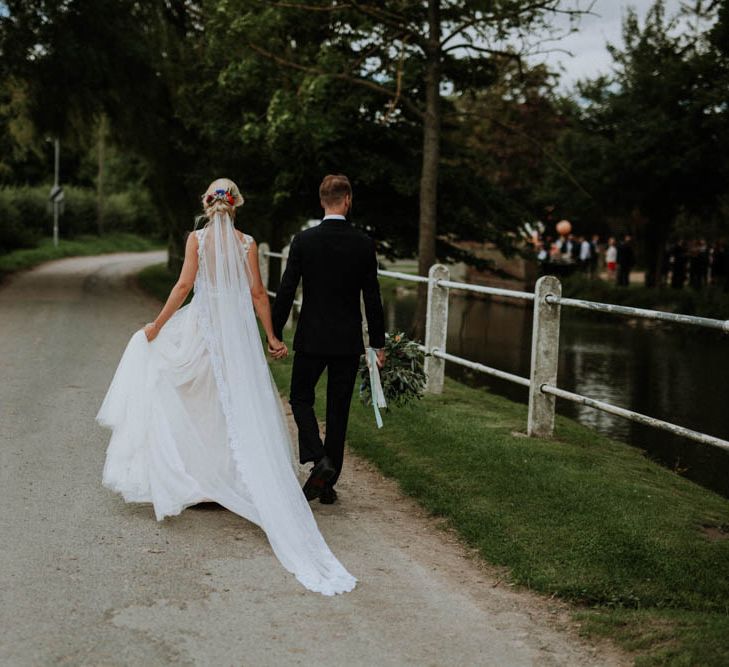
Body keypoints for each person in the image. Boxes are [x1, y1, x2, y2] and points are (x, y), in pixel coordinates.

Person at [96, 178, 356, 596]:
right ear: (236, 205)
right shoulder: (247, 243)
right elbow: (256, 293)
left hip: (203, 329)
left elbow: (184, 287)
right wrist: (271, 336)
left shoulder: (196, 240)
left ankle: (200, 482)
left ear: (207, 203)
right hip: (234, 335)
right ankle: (227, 479)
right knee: (235, 403)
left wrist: (157, 326)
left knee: (198, 399)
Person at [273, 174, 386, 507]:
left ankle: (317, 458)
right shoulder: (363, 243)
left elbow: (287, 288)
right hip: (347, 341)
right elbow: (373, 298)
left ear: (322, 200)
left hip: (311, 336)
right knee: (338, 411)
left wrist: (275, 331)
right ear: (347, 199)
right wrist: (377, 344)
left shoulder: (304, 241)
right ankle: (328, 477)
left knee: (300, 398)